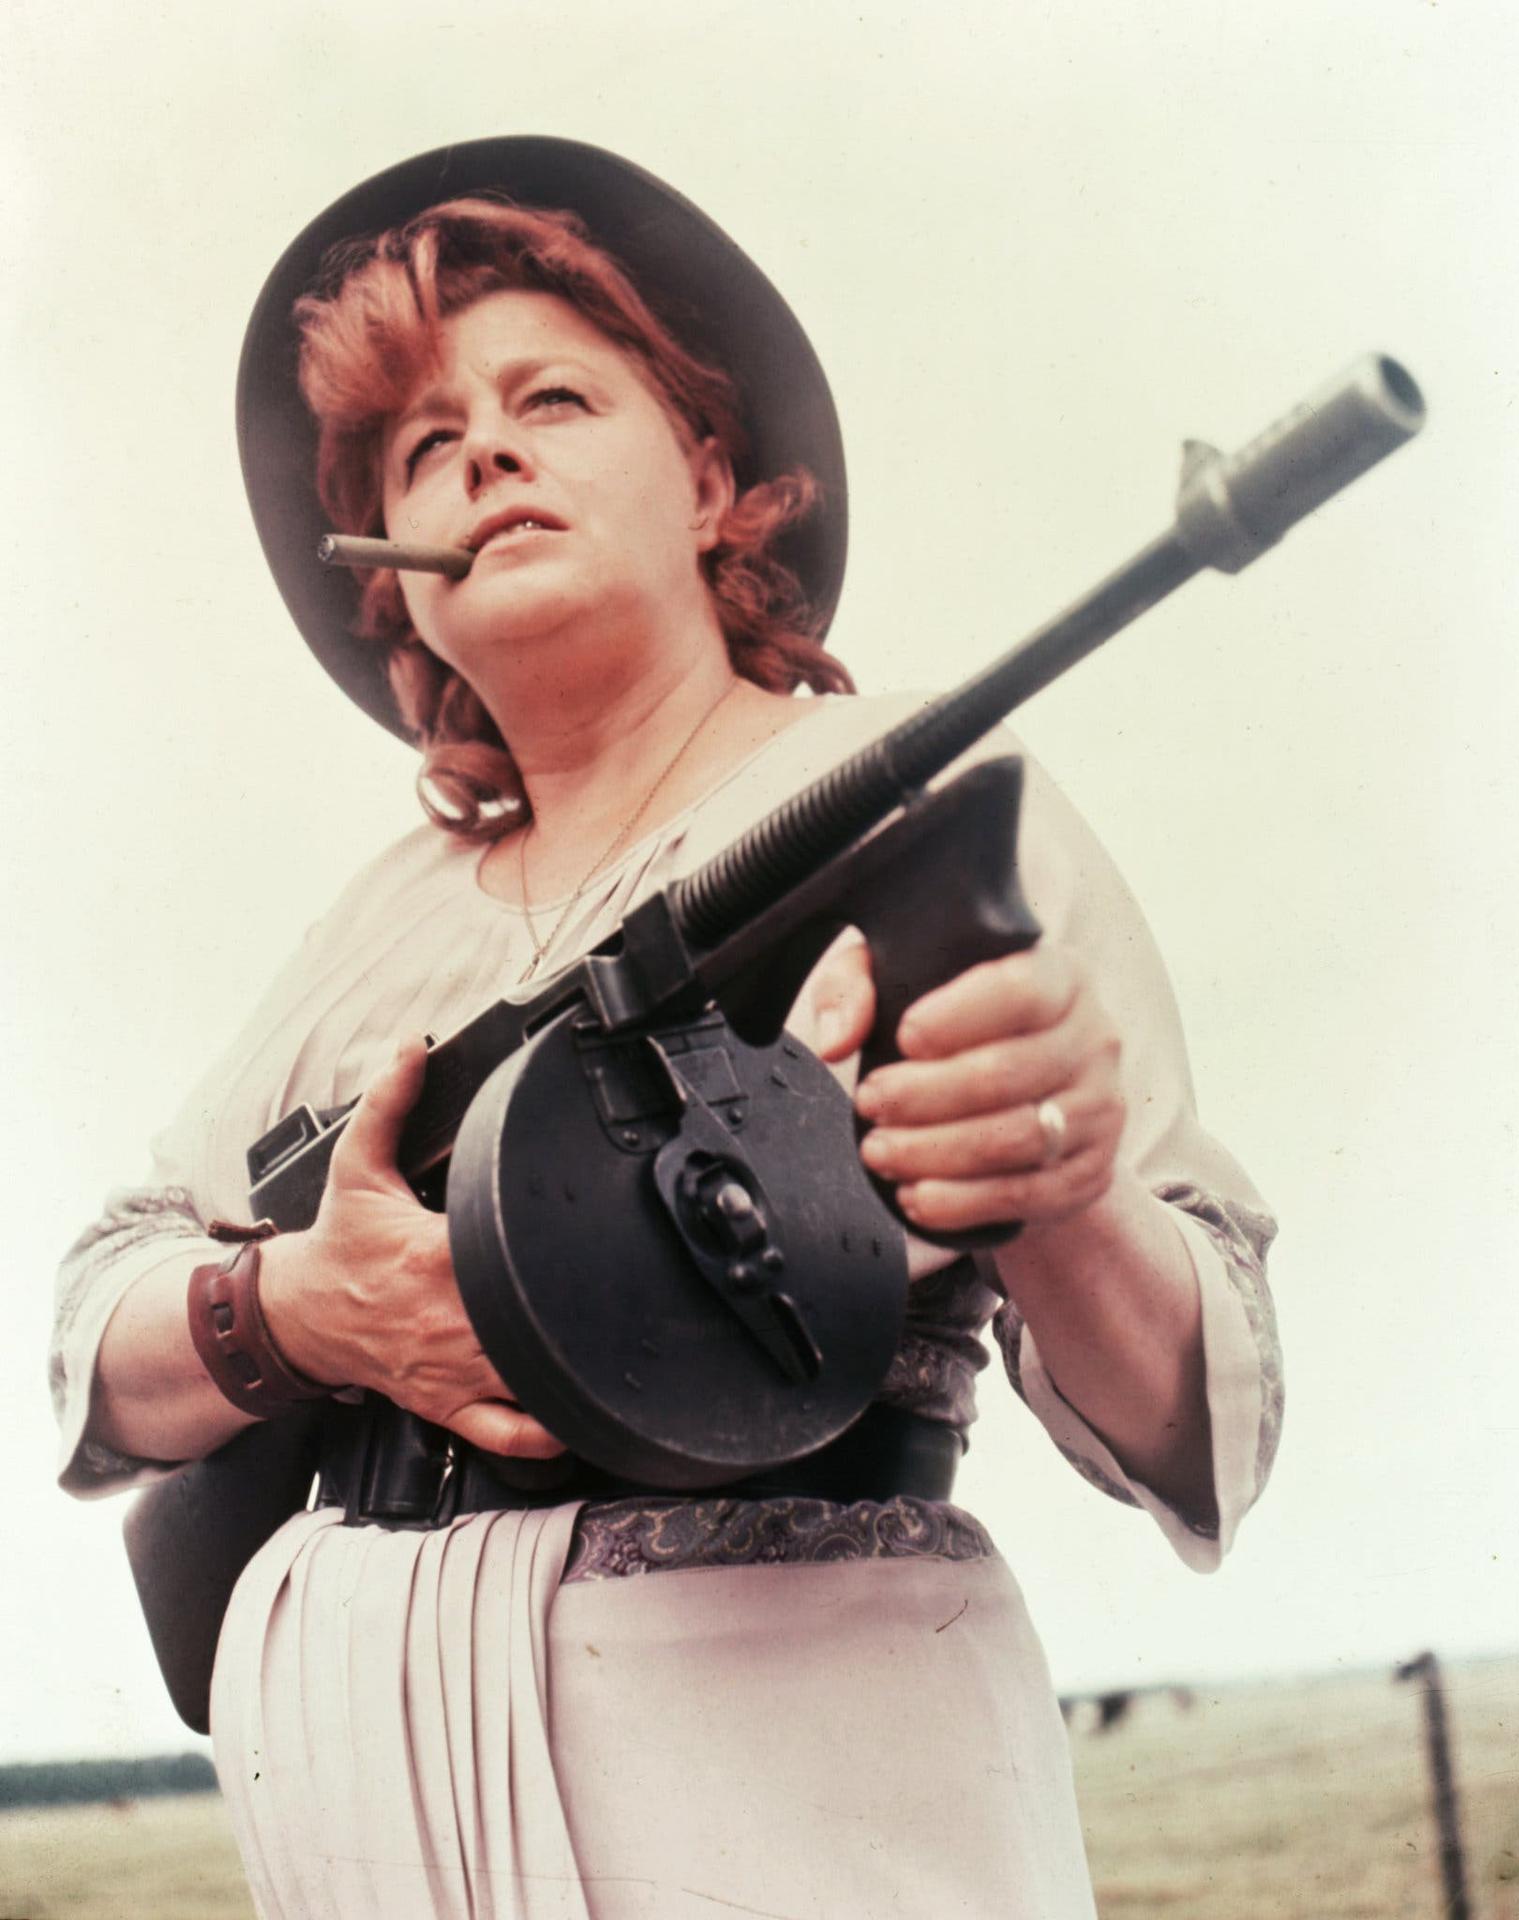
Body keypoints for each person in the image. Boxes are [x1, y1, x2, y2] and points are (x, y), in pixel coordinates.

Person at [52, 139, 1282, 1919]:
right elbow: (103, 1311)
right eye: (423, 446)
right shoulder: (370, 923)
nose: (485, 452)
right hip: (353, 1805)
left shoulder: (916, 806)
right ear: (394, 579)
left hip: (783, 1768)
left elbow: (1200, 1422)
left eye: (551, 398)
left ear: (711, 481)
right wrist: (293, 1309)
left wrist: (1055, 1187)